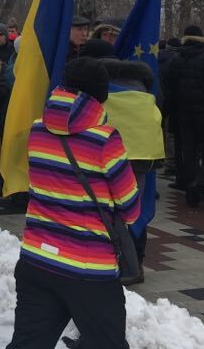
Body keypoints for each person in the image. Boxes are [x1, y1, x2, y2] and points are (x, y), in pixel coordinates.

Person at [5, 58, 140, 349]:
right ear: (99, 96)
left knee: (29, 342)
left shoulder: (37, 130)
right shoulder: (105, 139)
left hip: (36, 259)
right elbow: (130, 208)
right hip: (88, 268)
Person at [83, 39, 164, 283]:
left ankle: (121, 265)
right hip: (143, 155)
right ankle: (137, 260)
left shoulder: (95, 84)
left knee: (109, 210)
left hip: (109, 153)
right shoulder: (142, 85)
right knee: (134, 210)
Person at [161, 24, 204, 207]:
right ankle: (200, 183)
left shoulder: (175, 60)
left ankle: (191, 187)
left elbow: (167, 84)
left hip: (182, 113)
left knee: (189, 152)